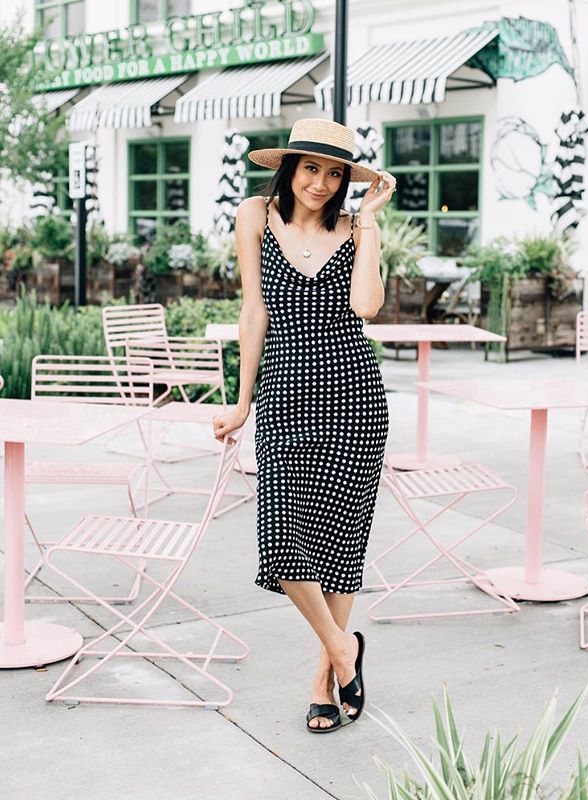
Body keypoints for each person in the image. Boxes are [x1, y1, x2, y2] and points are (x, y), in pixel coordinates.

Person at [212, 118, 395, 733]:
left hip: (355, 398)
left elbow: (366, 307)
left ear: (347, 180)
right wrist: (242, 402)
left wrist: (367, 219)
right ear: (288, 168)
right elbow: (253, 308)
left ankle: (324, 678)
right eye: (310, 168)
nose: (320, 183)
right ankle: (347, 650)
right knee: (287, 550)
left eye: (335, 173)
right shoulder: (253, 215)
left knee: (341, 552)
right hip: (285, 395)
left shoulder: (352, 227)